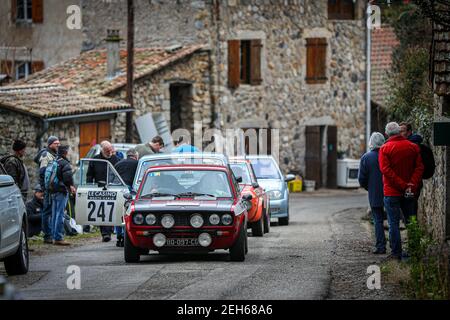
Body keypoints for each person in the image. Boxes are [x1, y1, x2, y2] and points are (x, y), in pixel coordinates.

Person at [379, 122, 424, 260]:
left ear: (387, 133)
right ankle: (415, 251)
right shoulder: (413, 147)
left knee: (393, 223)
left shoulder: (385, 148)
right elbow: (419, 168)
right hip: (409, 191)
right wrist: (410, 184)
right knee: (411, 221)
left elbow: (385, 170)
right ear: (399, 132)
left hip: (392, 191)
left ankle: (396, 253)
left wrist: (402, 184)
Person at [86, 141, 120, 242]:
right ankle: (105, 233)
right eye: (107, 150)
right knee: (101, 211)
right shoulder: (95, 159)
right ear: (102, 150)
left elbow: (119, 174)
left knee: (110, 210)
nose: (109, 152)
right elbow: (89, 175)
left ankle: (109, 231)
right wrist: (89, 186)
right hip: (99, 188)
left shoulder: (116, 159)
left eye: (110, 150)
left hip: (112, 188)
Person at [358, 132, 386, 254]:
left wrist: (368, 187)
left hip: (375, 194)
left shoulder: (366, 157)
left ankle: (381, 246)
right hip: (393, 192)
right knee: (393, 220)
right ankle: (397, 249)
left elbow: (361, 179)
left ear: (371, 143)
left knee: (378, 220)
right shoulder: (388, 154)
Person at [49, 145, 76, 246]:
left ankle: (53, 236)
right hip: (61, 190)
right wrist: (70, 187)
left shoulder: (55, 161)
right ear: (65, 152)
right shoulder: (64, 163)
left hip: (53, 190)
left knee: (55, 214)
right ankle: (58, 238)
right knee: (60, 214)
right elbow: (67, 178)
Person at [37, 136, 60, 244]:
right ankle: (47, 236)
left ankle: (51, 234)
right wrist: (44, 188)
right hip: (47, 189)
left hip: (53, 189)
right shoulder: (46, 155)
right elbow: (42, 173)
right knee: (46, 212)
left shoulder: (54, 155)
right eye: (56, 143)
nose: (58, 145)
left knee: (51, 211)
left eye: (58, 143)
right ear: (50, 144)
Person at [114, 148, 139, 247]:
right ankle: (126, 236)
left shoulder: (118, 164)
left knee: (119, 213)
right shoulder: (137, 163)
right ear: (135, 155)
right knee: (128, 214)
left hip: (118, 189)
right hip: (130, 191)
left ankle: (119, 236)